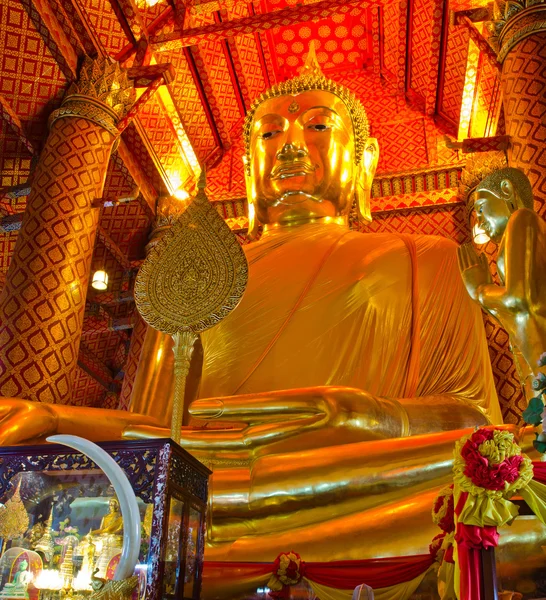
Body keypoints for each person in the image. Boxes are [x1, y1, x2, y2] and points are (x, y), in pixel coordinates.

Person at [458, 167, 546, 379]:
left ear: (506, 189)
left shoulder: (521, 218)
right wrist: (487, 301)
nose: (479, 223)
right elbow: (520, 318)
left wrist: (481, 291)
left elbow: (518, 300)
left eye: (480, 209)